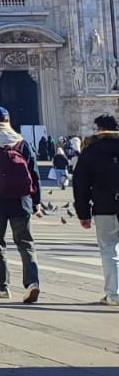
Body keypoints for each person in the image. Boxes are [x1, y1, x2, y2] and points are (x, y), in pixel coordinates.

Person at [0, 106, 42, 303]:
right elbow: (34, 174)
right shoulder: (22, 142)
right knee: (26, 243)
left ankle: (3, 287)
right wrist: (36, 201)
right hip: (22, 200)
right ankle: (32, 282)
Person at [72, 114, 119, 306]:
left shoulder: (91, 151)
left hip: (104, 208)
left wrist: (83, 213)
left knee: (109, 251)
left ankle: (114, 295)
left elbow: (80, 184)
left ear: (99, 129)